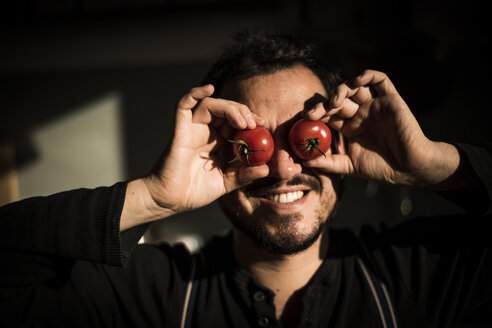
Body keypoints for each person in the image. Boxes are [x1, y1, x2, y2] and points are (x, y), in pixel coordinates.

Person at [1, 31, 491, 328]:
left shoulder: (412, 274)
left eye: (304, 139)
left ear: (338, 142)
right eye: (252, 141)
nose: (282, 168)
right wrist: (153, 197)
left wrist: (433, 164)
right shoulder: (155, 293)